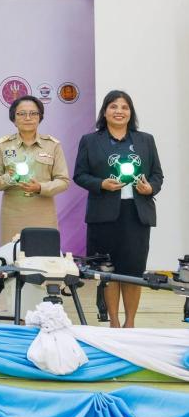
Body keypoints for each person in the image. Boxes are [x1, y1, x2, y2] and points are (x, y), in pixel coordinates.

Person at [74, 90, 163, 328]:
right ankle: (113, 322)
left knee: (133, 271)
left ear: (130, 112)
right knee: (107, 270)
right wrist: (101, 184)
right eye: (113, 106)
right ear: (105, 112)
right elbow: (80, 175)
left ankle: (130, 323)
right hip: (103, 215)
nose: (119, 111)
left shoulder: (145, 140)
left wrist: (149, 188)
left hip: (137, 214)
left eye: (124, 107)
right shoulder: (90, 140)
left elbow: (157, 175)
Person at [0, 95, 70, 245]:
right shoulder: (2, 145)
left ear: (40, 117)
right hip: (13, 215)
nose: (28, 118)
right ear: (13, 118)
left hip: (44, 215)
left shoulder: (52, 145)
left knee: (44, 255)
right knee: (12, 255)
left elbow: (63, 181)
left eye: (33, 113)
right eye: (21, 113)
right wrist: (9, 178)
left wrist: (40, 187)